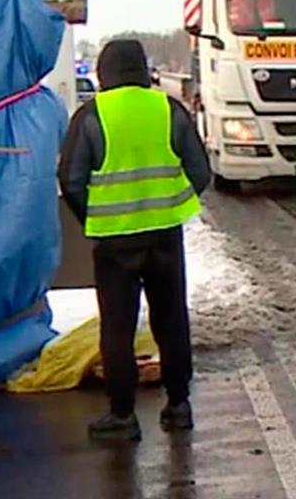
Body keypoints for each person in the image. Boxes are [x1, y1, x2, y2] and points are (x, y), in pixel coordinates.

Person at [58, 39, 212, 441]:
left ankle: (123, 415)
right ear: (143, 69)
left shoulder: (92, 115)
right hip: (164, 234)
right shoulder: (167, 109)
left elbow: (71, 179)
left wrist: (94, 216)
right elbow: (200, 170)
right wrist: (175, 205)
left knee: (118, 327)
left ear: (103, 72)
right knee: (172, 319)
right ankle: (179, 406)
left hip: (114, 242)